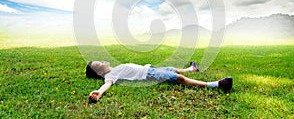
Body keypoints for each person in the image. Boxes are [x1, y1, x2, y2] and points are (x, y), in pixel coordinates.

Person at [86, 61, 233, 102]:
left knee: (171, 69)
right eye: (99, 64)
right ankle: (216, 84)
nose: (103, 61)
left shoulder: (115, 68)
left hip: (148, 68)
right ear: (99, 72)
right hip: (149, 74)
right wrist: (99, 92)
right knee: (178, 78)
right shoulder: (109, 77)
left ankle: (191, 69)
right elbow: (107, 84)